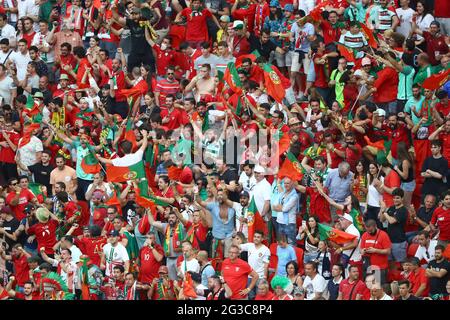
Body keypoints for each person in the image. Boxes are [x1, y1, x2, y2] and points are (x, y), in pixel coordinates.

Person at [379, 188, 408, 264]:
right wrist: (382, 210)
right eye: (394, 198)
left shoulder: (403, 210)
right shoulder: (391, 208)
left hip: (399, 242)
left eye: (397, 198)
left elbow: (392, 221)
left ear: (402, 198)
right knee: (390, 263)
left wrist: (384, 211)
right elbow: (382, 220)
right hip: (389, 241)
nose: (395, 200)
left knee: (402, 265)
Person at [360, 219, 392, 284]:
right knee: (369, 287)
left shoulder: (383, 235)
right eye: (367, 230)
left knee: (379, 287)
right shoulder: (365, 235)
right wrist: (363, 251)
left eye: (371, 230)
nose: (369, 232)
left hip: (379, 268)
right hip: (368, 266)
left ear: (375, 226)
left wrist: (375, 250)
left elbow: (388, 251)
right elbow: (361, 249)